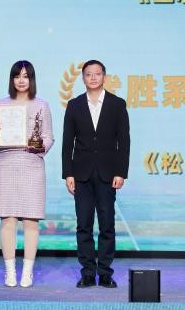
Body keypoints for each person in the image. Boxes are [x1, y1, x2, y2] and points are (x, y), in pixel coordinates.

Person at [62, 59, 130, 289]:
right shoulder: (74, 105)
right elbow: (67, 143)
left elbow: (124, 141)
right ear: (83, 78)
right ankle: (88, 273)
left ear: (104, 77)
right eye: (88, 74)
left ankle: (106, 273)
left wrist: (121, 172)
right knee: (83, 224)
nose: (93, 77)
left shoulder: (117, 104)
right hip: (81, 174)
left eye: (97, 73)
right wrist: (68, 173)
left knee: (107, 224)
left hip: (108, 173)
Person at [0, 60, 54, 288]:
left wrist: (39, 146)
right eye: (17, 76)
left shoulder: (42, 105)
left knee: (31, 220)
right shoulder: (2, 105)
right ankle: (9, 271)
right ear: (12, 79)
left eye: (26, 76)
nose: (21, 80)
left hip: (32, 163)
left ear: (31, 79)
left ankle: (27, 272)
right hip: (7, 162)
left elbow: (48, 137)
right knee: (7, 220)